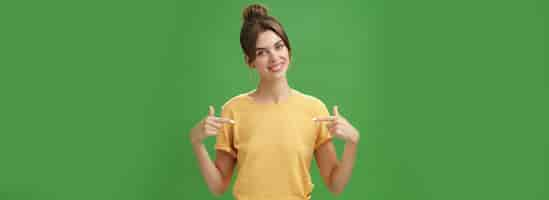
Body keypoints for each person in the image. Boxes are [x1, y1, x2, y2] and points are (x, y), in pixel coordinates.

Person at [189, 3, 360, 200]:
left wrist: (352, 142)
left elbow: (335, 184)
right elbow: (219, 186)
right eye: (262, 52)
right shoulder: (233, 110)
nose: (274, 58)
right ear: (249, 61)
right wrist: (197, 142)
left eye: (279, 47)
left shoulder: (314, 109)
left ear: (288, 50)